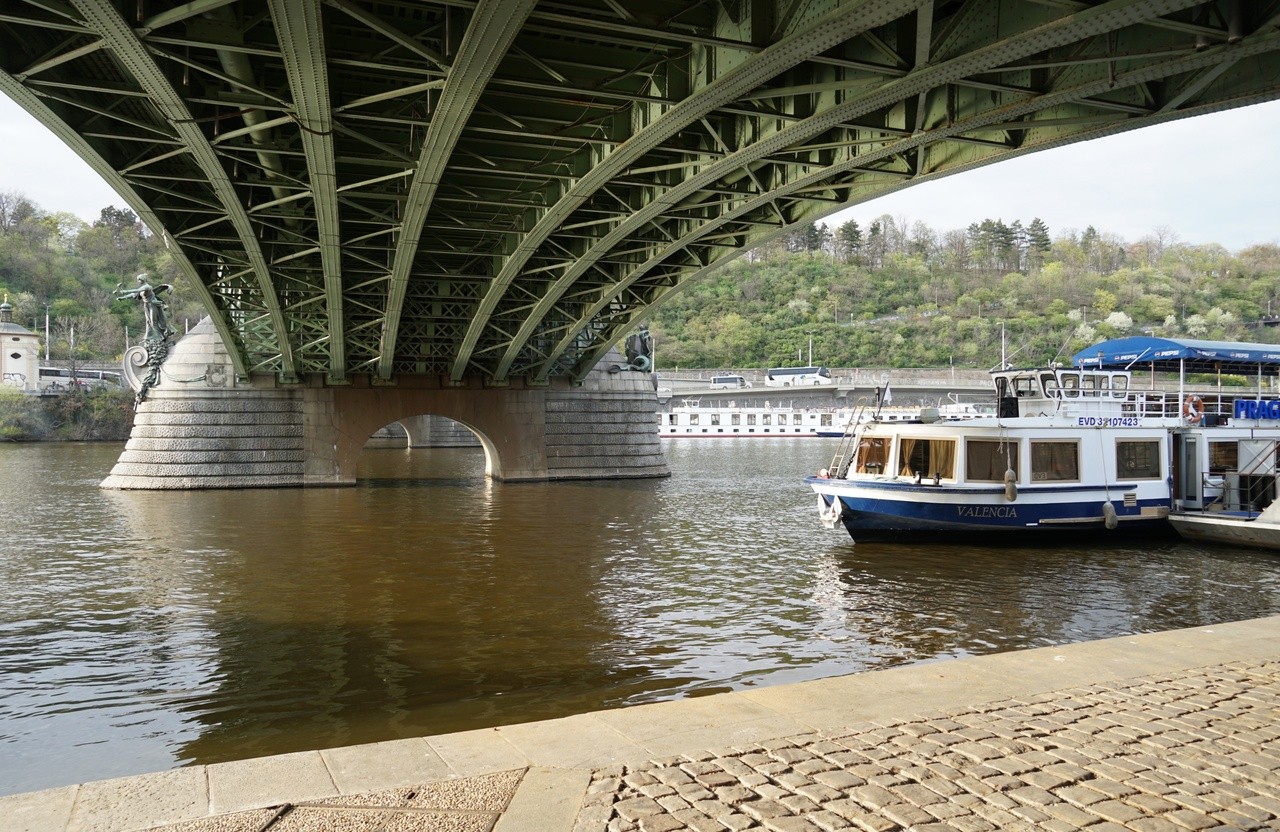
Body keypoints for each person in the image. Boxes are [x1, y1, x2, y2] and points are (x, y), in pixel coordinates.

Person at [117, 274, 173, 342]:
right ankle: (152, 336)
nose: (138, 281)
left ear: (143, 279)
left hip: (152, 304)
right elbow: (133, 295)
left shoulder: (147, 287)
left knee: (153, 321)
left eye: (139, 279)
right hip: (146, 305)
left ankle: (159, 337)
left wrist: (126, 291)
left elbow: (136, 290)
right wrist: (122, 298)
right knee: (148, 321)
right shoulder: (142, 288)